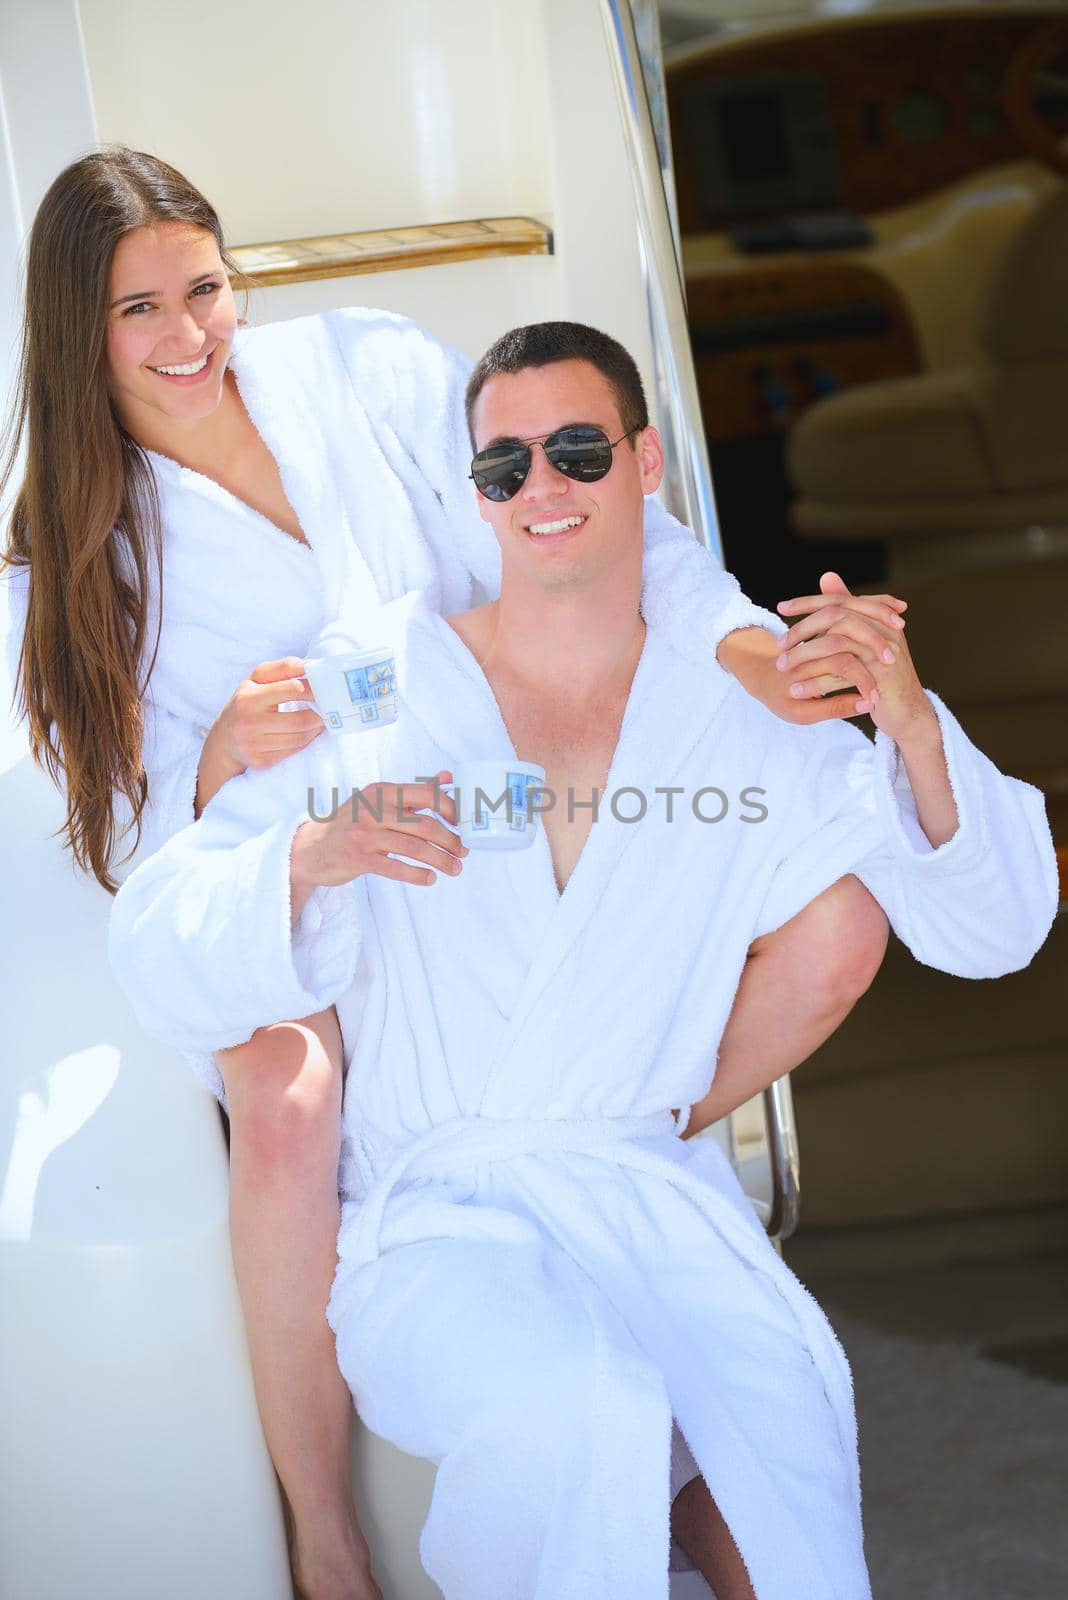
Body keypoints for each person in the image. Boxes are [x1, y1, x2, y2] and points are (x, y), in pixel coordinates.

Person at [0, 148, 902, 1600]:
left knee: (805, 938)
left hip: (500, 817)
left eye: (206, 290)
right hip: (310, 876)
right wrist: (224, 759)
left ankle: (627, 1134)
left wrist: (736, 640)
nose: (189, 337)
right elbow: (135, 836)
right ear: (72, 330)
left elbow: (580, 520)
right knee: (290, 1103)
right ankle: (322, 1526)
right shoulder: (74, 568)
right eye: (138, 311)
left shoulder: (367, 372)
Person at [108, 321, 1057, 1598]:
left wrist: (910, 720)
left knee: (785, 1474)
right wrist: (309, 857)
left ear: (646, 460)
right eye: (503, 467)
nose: (540, 490)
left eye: (574, 452)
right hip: (439, 1228)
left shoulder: (740, 707)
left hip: (647, 1195)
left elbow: (993, 929)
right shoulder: (383, 685)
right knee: (578, 1405)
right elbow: (162, 939)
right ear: (473, 494)